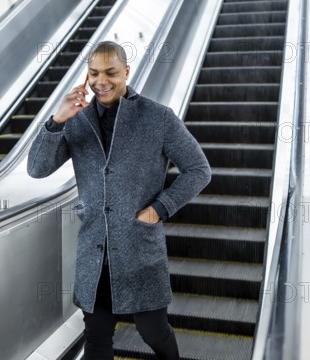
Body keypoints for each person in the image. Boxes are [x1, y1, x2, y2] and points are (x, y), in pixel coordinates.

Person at [27, 41, 211, 359]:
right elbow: (36, 169)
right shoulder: (76, 119)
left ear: (126, 71)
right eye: (94, 73)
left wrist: (159, 209)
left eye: (111, 72)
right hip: (94, 253)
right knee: (97, 339)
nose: (102, 81)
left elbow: (199, 170)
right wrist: (57, 119)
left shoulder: (158, 118)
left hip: (139, 249)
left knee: (153, 332)